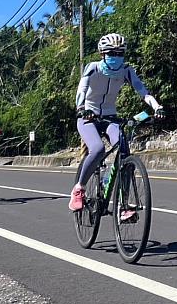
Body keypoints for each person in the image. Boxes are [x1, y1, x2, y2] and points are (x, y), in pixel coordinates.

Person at [69, 33, 165, 211]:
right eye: (112, 53)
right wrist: (82, 108)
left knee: (124, 152)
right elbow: (81, 90)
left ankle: (124, 205)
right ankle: (79, 189)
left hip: (110, 117)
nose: (116, 57)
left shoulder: (127, 71)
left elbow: (143, 91)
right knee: (98, 149)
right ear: (102, 54)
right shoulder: (93, 68)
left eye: (120, 53)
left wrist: (157, 107)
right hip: (88, 117)